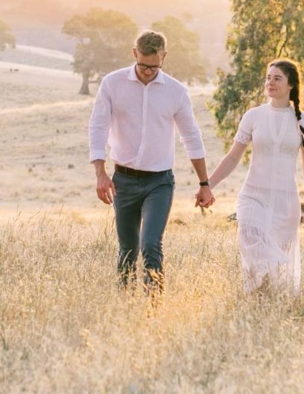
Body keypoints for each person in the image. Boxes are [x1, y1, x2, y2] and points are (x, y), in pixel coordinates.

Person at [88, 30, 214, 291]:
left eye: (154, 66)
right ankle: (124, 303)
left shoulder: (176, 92)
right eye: (143, 65)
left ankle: (153, 306)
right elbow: (98, 127)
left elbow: (191, 136)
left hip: (159, 182)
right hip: (123, 179)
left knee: (150, 244)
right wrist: (100, 173)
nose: (147, 71)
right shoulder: (112, 83)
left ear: (164, 57)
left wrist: (204, 183)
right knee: (128, 249)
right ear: (134, 54)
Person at [206, 59, 304, 294]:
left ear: (291, 85)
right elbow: (232, 157)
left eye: (277, 78)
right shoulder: (253, 116)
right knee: (250, 237)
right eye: (268, 77)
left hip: (285, 202)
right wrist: (208, 185)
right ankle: (266, 284)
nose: (270, 82)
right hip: (253, 195)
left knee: (274, 277)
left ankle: (263, 308)